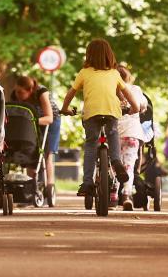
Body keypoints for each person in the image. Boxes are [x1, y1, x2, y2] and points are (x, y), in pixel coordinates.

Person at [60, 38, 141, 198]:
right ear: (109, 55)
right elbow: (127, 93)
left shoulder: (84, 72)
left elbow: (71, 92)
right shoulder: (114, 73)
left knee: (91, 144)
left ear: (88, 55)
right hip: (112, 112)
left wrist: (65, 109)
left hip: (91, 113)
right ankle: (117, 161)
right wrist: (135, 108)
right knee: (113, 134)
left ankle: (87, 182)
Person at [10, 75, 55, 190]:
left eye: (20, 92)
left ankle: (49, 185)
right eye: (16, 91)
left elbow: (49, 118)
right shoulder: (15, 96)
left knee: (47, 152)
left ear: (30, 90)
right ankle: (31, 186)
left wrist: (30, 121)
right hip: (31, 122)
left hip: (50, 118)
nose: (17, 95)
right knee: (30, 146)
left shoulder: (41, 93)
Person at [115, 63, 148, 211]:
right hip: (132, 134)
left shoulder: (109, 90)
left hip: (113, 134)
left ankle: (112, 194)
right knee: (128, 166)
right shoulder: (135, 89)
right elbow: (143, 105)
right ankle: (127, 195)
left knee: (113, 165)